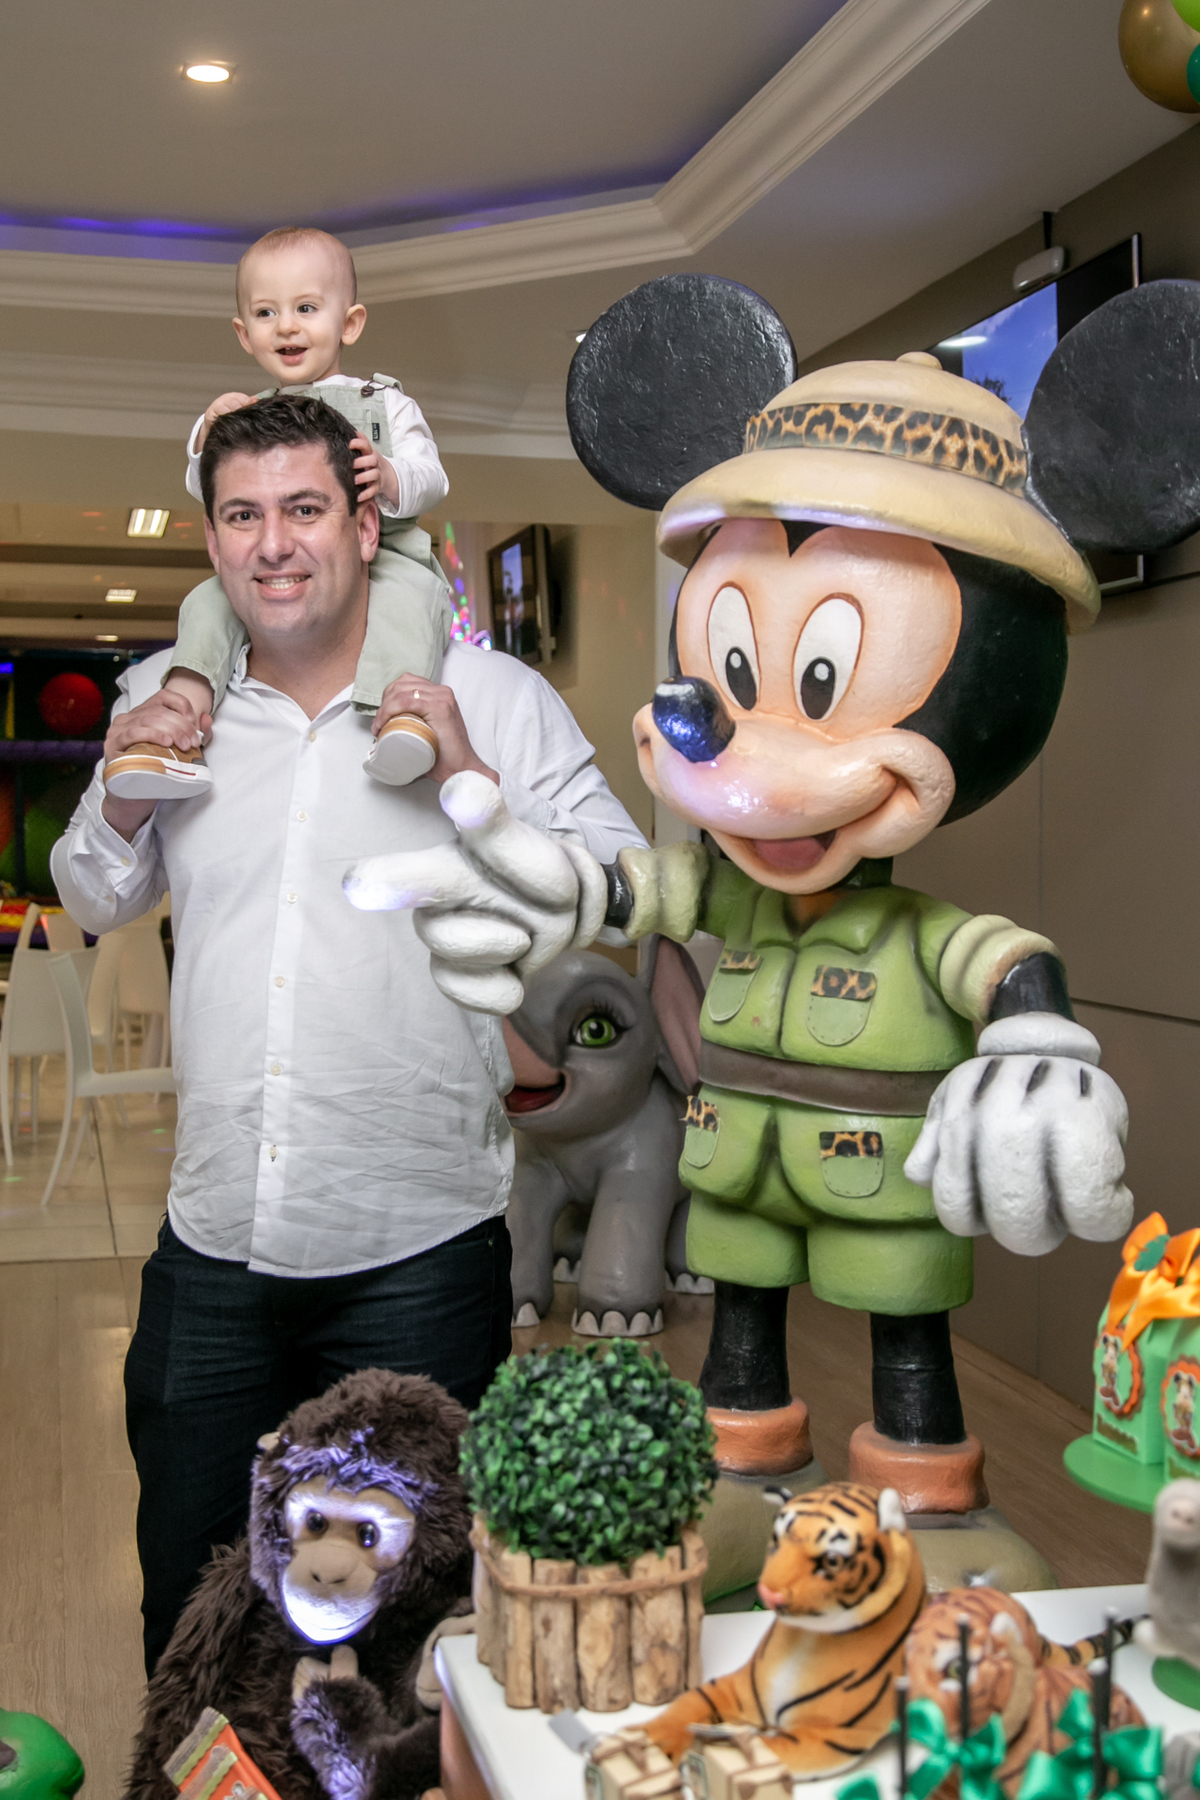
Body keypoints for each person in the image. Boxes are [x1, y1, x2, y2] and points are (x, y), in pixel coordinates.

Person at [52, 393, 646, 1672]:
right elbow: (94, 897)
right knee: (194, 1612)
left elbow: (620, 880)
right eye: (242, 516)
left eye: (305, 509)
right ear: (212, 538)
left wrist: (475, 788)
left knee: (407, 1629)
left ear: (366, 523)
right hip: (217, 1242)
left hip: (417, 1250)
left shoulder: (489, 695)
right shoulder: (168, 695)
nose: (273, 545)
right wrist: (120, 796)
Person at [103, 224, 453, 802]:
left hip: (389, 556)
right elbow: (204, 486)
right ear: (244, 334)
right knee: (206, 604)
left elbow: (432, 477)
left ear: (350, 323)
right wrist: (207, 436)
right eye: (266, 313)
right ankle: (178, 718)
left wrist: (391, 476)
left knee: (409, 606)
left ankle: (402, 717)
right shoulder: (247, 411)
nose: (286, 326)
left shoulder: (384, 403)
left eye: (306, 308)